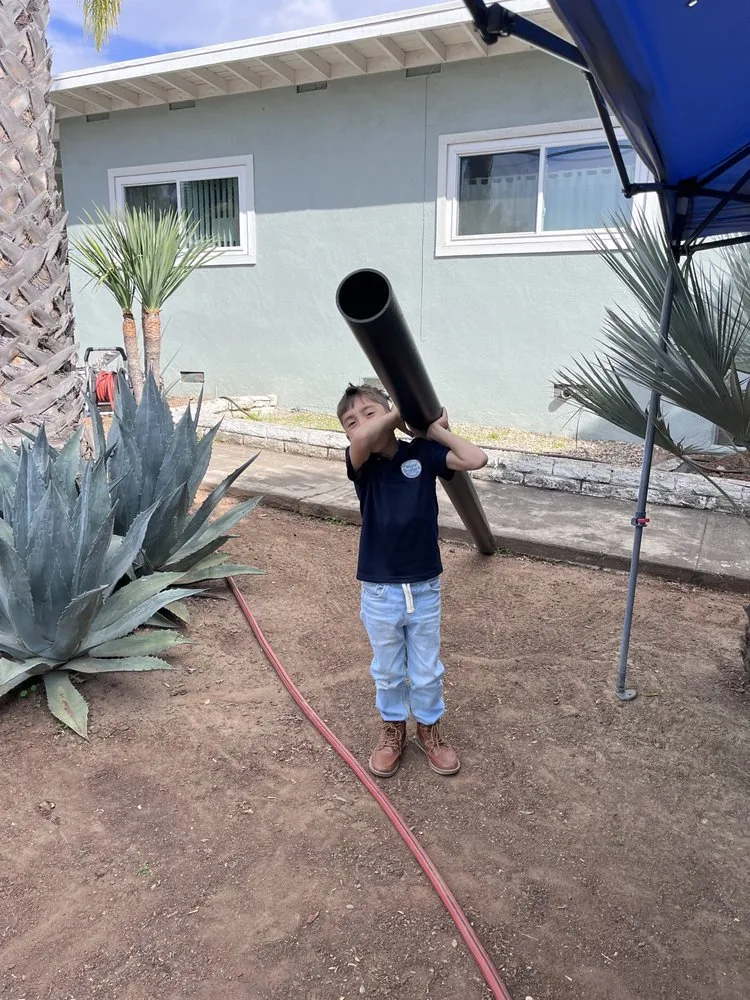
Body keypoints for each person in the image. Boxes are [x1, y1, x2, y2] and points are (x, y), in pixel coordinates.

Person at [337, 383, 488, 778]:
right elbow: (365, 439)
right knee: (387, 669)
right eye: (351, 422)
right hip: (380, 589)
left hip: (424, 586)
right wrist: (395, 414)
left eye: (370, 412)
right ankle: (393, 730)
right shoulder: (361, 462)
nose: (363, 424)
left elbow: (476, 458)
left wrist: (433, 430)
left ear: (388, 409)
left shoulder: (421, 454)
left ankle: (429, 729)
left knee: (426, 668)